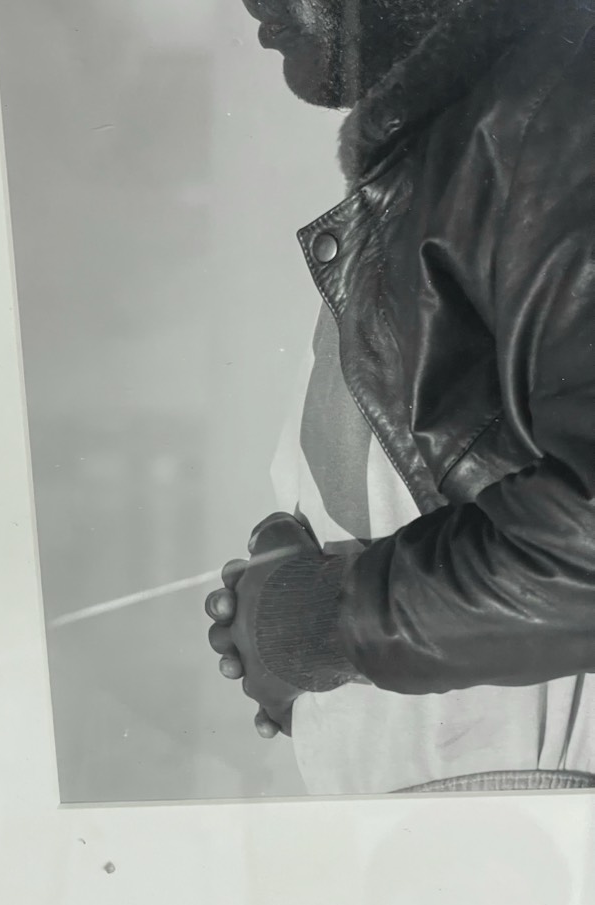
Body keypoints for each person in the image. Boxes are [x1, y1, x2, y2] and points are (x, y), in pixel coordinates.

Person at [205, 0, 595, 794]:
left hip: (524, 844)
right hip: (457, 837)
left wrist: (321, 622)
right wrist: (296, 563)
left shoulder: (550, 117)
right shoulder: (467, 145)